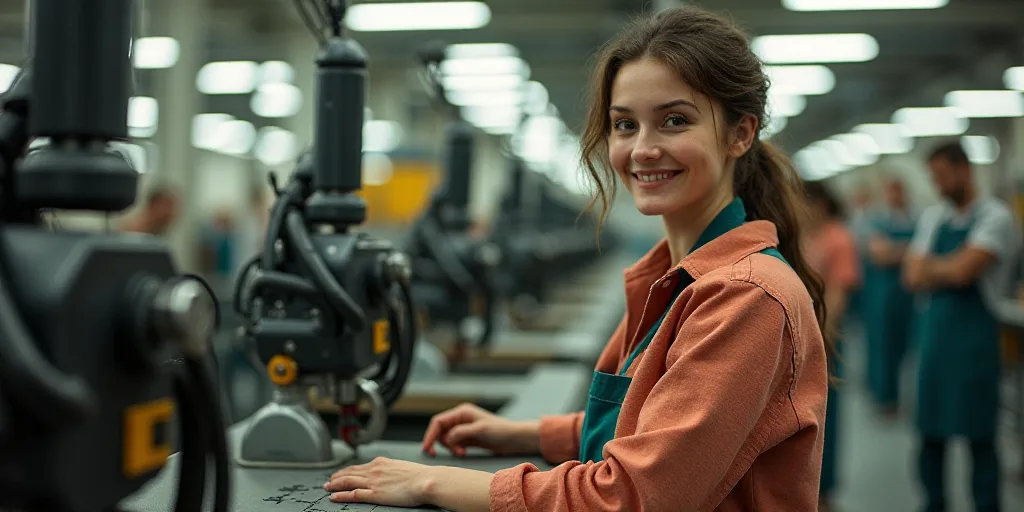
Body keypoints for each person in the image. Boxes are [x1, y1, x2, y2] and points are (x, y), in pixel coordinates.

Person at [321, 6, 830, 511]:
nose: (643, 149)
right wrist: (522, 433)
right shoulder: (672, 278)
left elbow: (633, 496)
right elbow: (658, 425)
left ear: (741, 133)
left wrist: (431, 484)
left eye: (675, 121)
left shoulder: (746, 297)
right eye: (625, 125)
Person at [903, 141, 1019, 512]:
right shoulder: (933, 218)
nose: (938, 185)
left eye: (942, 175)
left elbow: (964, 270)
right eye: (933, 177)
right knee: (930, 437)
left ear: (965, 170)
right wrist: (947, 267)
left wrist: (937, 268)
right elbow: (912, 275)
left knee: (980, 438)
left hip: (975, 348)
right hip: (935, 346)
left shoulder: (995, 217)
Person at [803, 180, 861, 512]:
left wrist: (820, 335)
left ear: (821, 204)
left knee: (826, 417)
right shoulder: (804, 236)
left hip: (825, 340)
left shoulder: (838, 238)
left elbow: (838, 292)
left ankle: (823, 490)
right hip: (804, 337)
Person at [862, 178, 917, 416]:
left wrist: (896, 251)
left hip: (908, 295)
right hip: (882, 295)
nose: (896, 196)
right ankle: (885, 397)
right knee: (882, 345)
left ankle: (900, 396)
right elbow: (880, 255)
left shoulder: (916, 220)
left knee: (906, 346)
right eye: (892, 191)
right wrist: (907, 251)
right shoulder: (875, 221)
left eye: (900, 191)